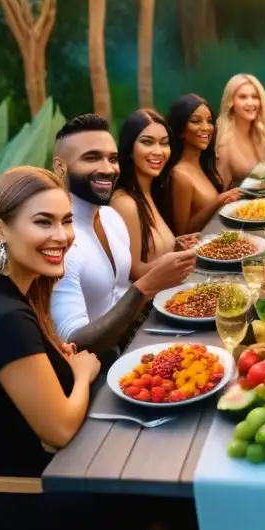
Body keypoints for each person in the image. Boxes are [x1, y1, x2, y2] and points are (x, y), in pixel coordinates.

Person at [0, 167, 151, 530]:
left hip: (43, 474)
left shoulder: (2, 294)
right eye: (43, 222)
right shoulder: (2, 319)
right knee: (164, 488)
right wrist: (82, 373)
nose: (62, 236)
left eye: (66, 221)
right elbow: (61, 429)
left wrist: (60, 366)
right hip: (15, 508)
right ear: (0, 230)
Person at [50, 114, 197, 356]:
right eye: (92, 158)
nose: (107, 169)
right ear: (59, 167)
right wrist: (145, 287)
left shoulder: (110, 217)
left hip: (138, 341)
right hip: (99, 372)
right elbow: (74, 342)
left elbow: (121, 290)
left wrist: (172, 262)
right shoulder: (60, 241)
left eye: (112, 159)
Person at [111, 109, 200, 281]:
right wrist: (171, 260)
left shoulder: (151, 192)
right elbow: (134, 273)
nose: (158, 151)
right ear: (129, 148)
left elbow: (152, 254)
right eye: (147, 142)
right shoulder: (125, 203)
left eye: (164, 143)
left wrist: (177, 246)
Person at [163, 94, 242, 236]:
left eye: (209, 121)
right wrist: (218, 201)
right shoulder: (180, 174)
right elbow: (183, 233)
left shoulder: (203, 165)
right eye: (196, 121)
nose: (206, 127)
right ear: (181, 129)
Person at [216, 73, 265, 187]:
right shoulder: (223, 140)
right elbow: (222, 192)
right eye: (243, 97)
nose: (250, 103)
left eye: (255, 97)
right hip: (239, 203)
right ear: (230, 101)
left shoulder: (263, 131)